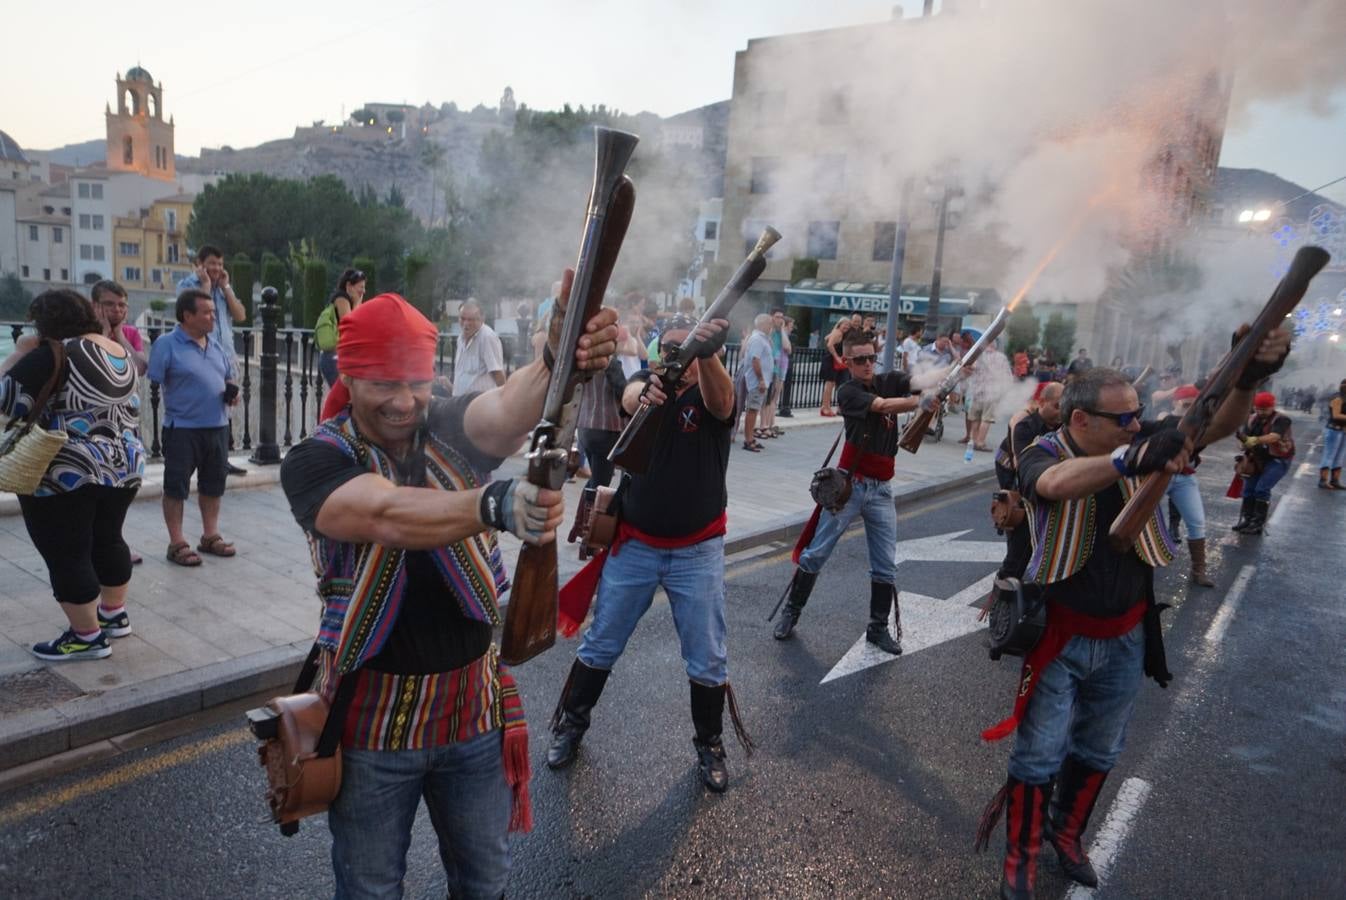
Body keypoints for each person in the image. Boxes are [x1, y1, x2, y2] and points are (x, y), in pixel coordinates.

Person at [279, 288, 617, 898]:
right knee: (371, 889)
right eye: (383, 384)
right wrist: (492, 503)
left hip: (471, 708)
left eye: (415, 381)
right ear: (348, 377)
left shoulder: (446, 424)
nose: (405, 401)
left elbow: (506, 410)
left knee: (485, 882)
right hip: (369, 717)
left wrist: (555, 357)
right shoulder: (315, 459)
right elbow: (383, 513)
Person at [976, 329, 1290, 900]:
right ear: (1079, 421)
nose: (1135, 424)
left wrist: (1250, 378)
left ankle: (1065, 835)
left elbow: (1215, 426)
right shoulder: (1043, 450)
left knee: (1100, 749)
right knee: (1040, 753)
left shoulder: (1134, 438)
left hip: (1125, 634)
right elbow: (1053, 483)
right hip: (1059, 634)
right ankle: (1019, 857)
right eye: (1122, 418)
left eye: (1138, 416)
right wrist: (1127, 458)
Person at [546, 314, 751, 793]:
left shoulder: (710, 389)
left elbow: (723, 406)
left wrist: (711, 353)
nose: (681, 357)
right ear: (659, 356)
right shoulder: (646, 385)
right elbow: (629, 394)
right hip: (636, 544)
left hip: (697, 550)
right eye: (672, 349)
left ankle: (710, 744)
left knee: (707, 659)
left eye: (691, 348)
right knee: (601, 644)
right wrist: (650, 389)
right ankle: (570, 727)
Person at [773, 330, 963, 651]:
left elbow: (922, 377)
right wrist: (920, 401)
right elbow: (884, 405)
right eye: (859, 359)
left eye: (871, 357)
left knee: (886, 563)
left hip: (882, 489)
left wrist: (956, 370)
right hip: (852, 485)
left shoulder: (886, 378)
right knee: (817, 552)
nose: (867, 364)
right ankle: (791, 612)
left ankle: (877, 628)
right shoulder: (848, 392)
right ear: (846, 362)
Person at [1, 290, 144, 660]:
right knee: (108, 539)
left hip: (68, 469)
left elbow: (6, 401)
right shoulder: (119, 353)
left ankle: (86, 636)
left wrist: (20, 353)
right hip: (124, 464)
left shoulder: (54, 352)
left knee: (67, 550)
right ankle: (114, 615)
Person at [148, 289, 240, 567]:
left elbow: (227, 377)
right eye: (207, 312)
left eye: (213, 311)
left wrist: (232, 394)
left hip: (218, 427)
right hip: (182, 429)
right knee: (175, 487)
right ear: (187, 315)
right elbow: (155, 378)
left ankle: (210, 536)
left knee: (213, 485)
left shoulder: (215, 345)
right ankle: (177, 542)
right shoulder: (167, 344)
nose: (213, 316)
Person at [178, 244, 248, 476]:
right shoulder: (187, 286)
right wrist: (206, 286)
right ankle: (199, 460)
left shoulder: (222, 289)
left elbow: (240, 315)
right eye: (211, 264)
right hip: (197, 356)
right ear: (200, 264)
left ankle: (222, 459)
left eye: (220, 264)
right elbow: (193, 317)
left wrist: (226, 287)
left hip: (223, 356)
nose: (216, 268)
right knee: (203, 406)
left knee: (226, 406)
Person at [994, 381, 1063, 583]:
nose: (1060, 412)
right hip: (1013, 470)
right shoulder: (1024, 424)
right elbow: (1021, 463)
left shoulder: (1063, 427)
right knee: (1018, 522)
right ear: (1042, 402)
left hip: (1044, 478)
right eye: (1056, 406)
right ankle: (1006, 582)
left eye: (1064, 407)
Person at [1162, 384, 1214, 585]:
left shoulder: (1200, 425)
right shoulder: (1165, 419)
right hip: (1160, 476)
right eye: (1185, 405)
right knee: (1147, 521)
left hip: (1184, 476)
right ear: (1175, 402)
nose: (1189, 409)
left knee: (1197, 522)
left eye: (1193, 406)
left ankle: (1198, 570)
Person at [1232, 391, 1296, 535]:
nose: (1261, 412)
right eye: (1259, 409)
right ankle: (1247, 519)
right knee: (1248, 489)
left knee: (1261, 489)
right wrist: (1242, 443)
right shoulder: (1251, 419)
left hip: (1278, 458)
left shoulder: (1282, 419)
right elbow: (1243, 437)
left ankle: (1257, 523)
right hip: (1257, 458)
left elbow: (1274, 436)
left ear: (1272, 406)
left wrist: (1254, 440)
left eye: (1265, 409)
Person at [317, 268, 368, 387]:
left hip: (336, 357)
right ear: (349, 286)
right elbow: (351, 325)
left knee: (344, 398)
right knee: (342, 396)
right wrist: (357, 302)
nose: (363, 291)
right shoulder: (341, 299)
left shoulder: (347, 300)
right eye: (361, 287)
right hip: (333, 358)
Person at [90, 280, 147, 376]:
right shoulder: (86, 332)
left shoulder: (132, 332)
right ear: (94, 306)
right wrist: (105, 335)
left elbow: (140, 370)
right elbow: (91, 368)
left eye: (121, 305)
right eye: (109, 304)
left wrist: (119, 335)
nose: (116, 309)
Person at [452, 300, 506, 396]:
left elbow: (498, 374)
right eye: (462, 318)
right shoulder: (460, 339)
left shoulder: (487, 337)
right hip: (459, 403)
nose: (466, 323)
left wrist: (505, 400)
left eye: (470, 319)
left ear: (482, 319)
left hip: (480, 406)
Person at [741, 313, 774, 451]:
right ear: (763, 325)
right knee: (752, 410)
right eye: (770, 324)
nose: (771, 327)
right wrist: (761, 379)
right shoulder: (757, 339)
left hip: (761, 381)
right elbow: (755, 360)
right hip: (756, 382)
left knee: (754, 410)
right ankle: (748, 440)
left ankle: (751, 438)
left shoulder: (762, 339)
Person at [760, 308, 791, 437]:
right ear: (771, 317)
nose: (780, 319)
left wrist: (783, 330)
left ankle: (770, 424)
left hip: (779, 369)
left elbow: (787, 348)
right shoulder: (769, 331)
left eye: (782, 317)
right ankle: (763, 425)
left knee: (773, 399)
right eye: (777, 317)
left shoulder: (781, 332)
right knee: (766, 399)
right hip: (769, 368)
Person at [820, 318, 852, 416]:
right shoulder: (838, 333)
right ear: (840, 324)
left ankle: (825, 407)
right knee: (829, 384)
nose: (846, 326)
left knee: (830, 384)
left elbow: (826, 338)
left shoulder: (836, 332)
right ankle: (825, 408)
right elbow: (830, 345)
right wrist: (837, 357)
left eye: (848, 325)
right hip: (831, 360)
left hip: (829, 359)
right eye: (844, 324)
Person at [1318, 379, 1346, 490]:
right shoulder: (1337, 399)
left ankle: (1335, 480)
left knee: (1340, 457)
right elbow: (1336, 415)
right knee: (1329, 455)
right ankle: (1323, 480)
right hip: (1334, 430)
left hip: (1343, 431)